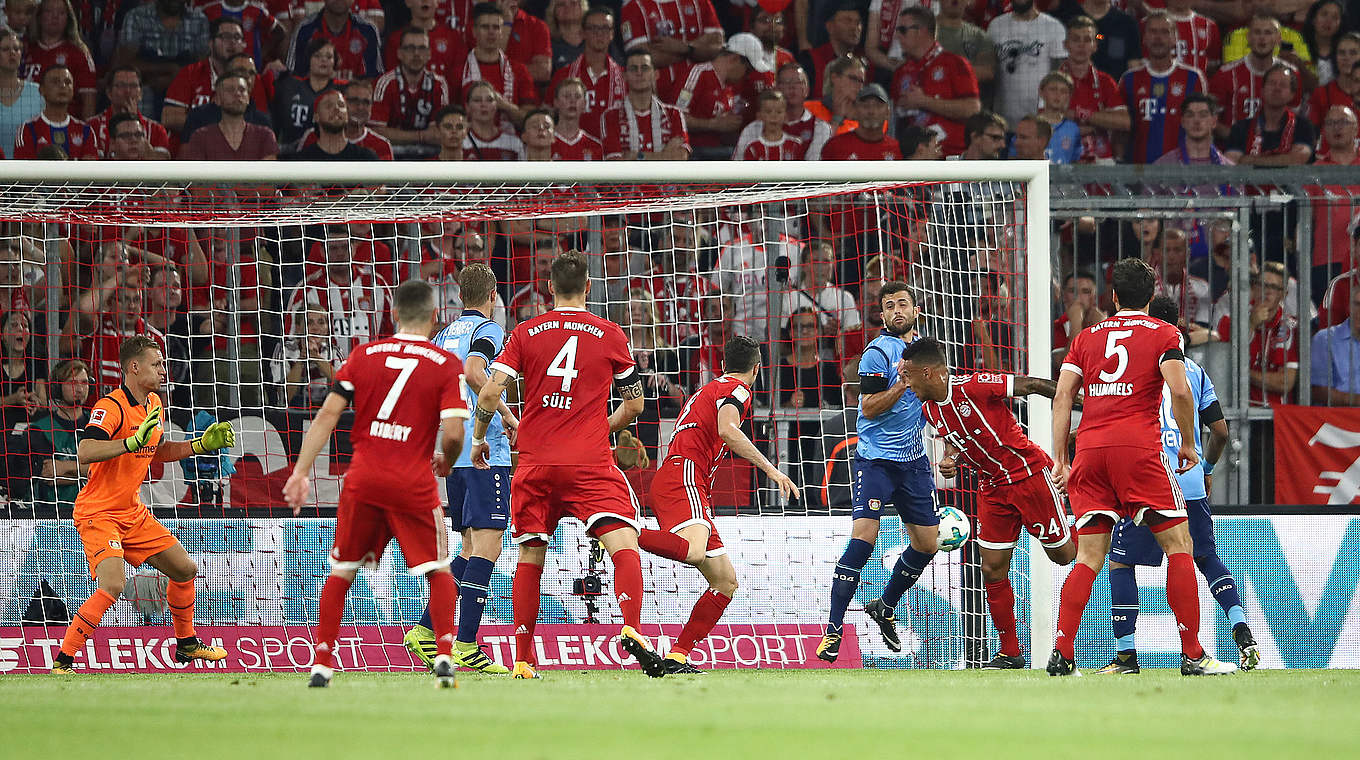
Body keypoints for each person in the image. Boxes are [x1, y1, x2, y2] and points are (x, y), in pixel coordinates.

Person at [467, 250, 665, 679]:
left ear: (549, 287)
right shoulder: (610, 334)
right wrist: (601, 426)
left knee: (530, 556)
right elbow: (636, 404)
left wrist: (480, 438)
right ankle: (632, 627)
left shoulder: (524, 331)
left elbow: (486, 394)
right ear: (589, 288)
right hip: (589, 462)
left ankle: (522, 660)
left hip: (536, 462)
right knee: (624, 544)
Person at [1048, 257, 1236, 676]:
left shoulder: (1087, 337)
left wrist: (1061, 457)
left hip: (1091, 452)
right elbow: (1180, 390)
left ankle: (1061, 654)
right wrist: (1189, 443)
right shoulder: (1164, 333)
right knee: (1179, 546)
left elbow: (1063, 398)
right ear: (1151, 297)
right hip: (1138, 450)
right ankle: (1192, 655)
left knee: (1089, 557)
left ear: (1112, 297)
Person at [283, 280, 468, 688]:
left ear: (395, 314)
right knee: (437, 569)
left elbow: (327, 416)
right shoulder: (443, 363)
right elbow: (454, 433)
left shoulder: (363, 355)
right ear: (434, 316)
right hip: (412, 481)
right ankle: (443, 657)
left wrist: (299, 472)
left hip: (364, 478)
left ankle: (322, 663)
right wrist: (447, 461)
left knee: (342, 571)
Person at [49, 335, 235, 674]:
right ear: (134, 367)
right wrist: (130, 440)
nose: (164, 370)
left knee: (185, 570)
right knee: (113, 585)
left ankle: (187, 644)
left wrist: (199, 445)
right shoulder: (111, 406)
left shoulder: (153, 405)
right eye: (157, 364)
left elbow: (156, 450)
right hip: (99, 513)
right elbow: (85, 452)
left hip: (131, 512)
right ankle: (64, 659)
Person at [1098, 295, 1260, 675]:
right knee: (1201, 557)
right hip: (1188, 480)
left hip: (1146, 476)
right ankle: (1240, 628)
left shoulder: (1129, 369)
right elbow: (1220, 431)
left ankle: (1126, 655)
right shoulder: (1193, 371)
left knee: (1121, 563)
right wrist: (1205, 466)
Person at [900, 336, 1075, 668]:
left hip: (1028, 477)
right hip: (992, 489)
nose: (905, 384)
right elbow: (962, 443)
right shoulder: (930, 410)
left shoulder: (976, 386)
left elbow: (1035, 384)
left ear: (928, 373)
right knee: (992, 568)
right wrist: (953, 460)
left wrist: (1084, 401)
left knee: (1064, 556)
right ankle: (1010, 651)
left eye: (908, 376)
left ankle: (1091, 527)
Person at [636, 335, 800, 674]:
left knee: (725, 581)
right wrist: (771, 469)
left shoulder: (708, 389)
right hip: (685, 476)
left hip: (678, 476)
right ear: (757, 369)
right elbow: (728, 430)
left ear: (724, 365)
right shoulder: (738, 391)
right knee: (695, 552)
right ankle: (622, 530)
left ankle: (677, 655)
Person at [403, 264, 516, 675]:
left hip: (455, 451)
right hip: (484, 450)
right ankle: (466, 643)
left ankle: (424, 630)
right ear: (493, 295)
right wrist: (504, 415)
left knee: (469, 548)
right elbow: (474, 372)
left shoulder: (442, 335)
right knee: (489, 545)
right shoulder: (487, 330)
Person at [817, 282, 937, 662]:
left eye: (903, 303)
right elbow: (868, 408)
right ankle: (833, 630)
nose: (896, 310)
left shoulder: (929, 353)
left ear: (916, 311)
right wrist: (902, 382)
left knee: (928, 544)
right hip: (876, 461)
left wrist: (950, 448)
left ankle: (884, 606)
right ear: (882, 315)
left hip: (914, 462)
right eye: (889, 306)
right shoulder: (877, 353)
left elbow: (940, 402)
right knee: (864, 538)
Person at [889, 6, 981, 157]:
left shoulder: (954, 63)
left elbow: (972, 109)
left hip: (951, 158)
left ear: (922, 31)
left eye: (903, 30)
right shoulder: (901, 71)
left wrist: (924, 101)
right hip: (915, 161)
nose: (898, 36)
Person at [1118, 11, 1205, 164]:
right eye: (1153, 32)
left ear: (1174, 39)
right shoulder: (1129, 79)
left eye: (1165, 32)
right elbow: (1121, 131)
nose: (1158, 38)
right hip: (1139, 171)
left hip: (1181, 172)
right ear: (1144, 38)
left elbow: (1202, 128)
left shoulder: (1193, 78)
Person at [1211, 14, 1298, 137]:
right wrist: (1238, 139)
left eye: (1268, 33)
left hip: (1277, 149)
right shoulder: (1225, 74)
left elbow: (1297, 118)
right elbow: (1211, 120)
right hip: (1234, 150)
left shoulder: (1291, 74)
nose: (1262, 38)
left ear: (1278, 39)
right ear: (1248, 37)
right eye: (1257, 32)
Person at [619, 0, 724, 101]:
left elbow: (717, 45)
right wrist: (694, 51)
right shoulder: (633, 6)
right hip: (662, 98)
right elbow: (641, 58)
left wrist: (684, 47)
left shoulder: (701, 2)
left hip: (704, 95)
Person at [987, 0, 1067, 130]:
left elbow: (1061, 77)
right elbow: (989, 71)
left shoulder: (1053, 27)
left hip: (1040, 122)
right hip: (1002, 121)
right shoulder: (995, 26)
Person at [161, 17, 248, 134]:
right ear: (211, 43)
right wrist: (218, 123)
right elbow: (169, 118)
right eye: (225, 36)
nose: (232, 42)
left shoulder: (249, 76)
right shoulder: (190, 73)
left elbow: (257, 120)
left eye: (237, 37)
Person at [455, 3, 537, 128]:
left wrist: (504, 106)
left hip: (510, 143)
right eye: (485, 27)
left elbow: (531, 121)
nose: (491, 32)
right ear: (474, 31)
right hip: (469, 143)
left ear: (502, 32)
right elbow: (449, 118)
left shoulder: (519, 70)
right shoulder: (458, 71)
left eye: (496, 27)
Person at [371, 26, 450, 151]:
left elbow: (439, 133)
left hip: (429, 158)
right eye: (410, 48)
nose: (416, 54)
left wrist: (398, 134)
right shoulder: (385, 83)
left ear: (429, 54)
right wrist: (421, 136)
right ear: (399, 53)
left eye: (422, 48)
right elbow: (376, 132)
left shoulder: (439, 84)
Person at [549, 6, 624, 136]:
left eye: (605, 28)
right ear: (583, 33)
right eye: (593, 28)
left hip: (614, 151)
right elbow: (549, 114)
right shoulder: (564, 75)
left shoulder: (625, 77)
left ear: (612, 34)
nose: (599, 34)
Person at [601, 49, 690, 160]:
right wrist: (665, 156)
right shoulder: (610, 116)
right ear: (624, 76)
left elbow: (680, 157)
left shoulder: (674, 114)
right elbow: (615, 163)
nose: (639, 73)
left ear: (655, 74)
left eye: (645, 68)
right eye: (633, 69)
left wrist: (637, 156)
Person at [1223, 63, 1316, 166]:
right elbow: (1231, 164)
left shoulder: (1303, 126)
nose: (1277, 88)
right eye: (1272, 83)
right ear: (1262, 91)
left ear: (1292, 95)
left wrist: (1250, 160)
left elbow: (1297, 160)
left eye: (1283, 85)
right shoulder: (1240, 128)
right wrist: (1282, 159)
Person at [27, 358, 89, 511]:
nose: (80, 389)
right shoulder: (39, 430)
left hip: (95, 514)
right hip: (54, 516)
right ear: (56, 388)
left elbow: (111, 471)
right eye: (73, 383)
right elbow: (50, 475)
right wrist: (90, 471)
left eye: (85, 382)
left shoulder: (100, 424)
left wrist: (65, 467)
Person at [674, 39, 750, 153]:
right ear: (735, 59)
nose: (745, 75)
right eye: (747, 69)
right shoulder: (698, 74)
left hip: (718, 151)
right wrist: (713, 125)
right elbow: (675, 117)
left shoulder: (728, 88)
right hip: (692, 152)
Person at [270, 37, 345, 152]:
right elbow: (275, 122)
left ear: (335, 62)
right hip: (290, 152)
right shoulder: (289, 86)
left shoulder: (342, 90)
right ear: (308, 59)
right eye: (317, 56)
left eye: (329, 57)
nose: (323, 60)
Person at [180, 71, 278, 159]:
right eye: (230, 90)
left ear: (248, 98)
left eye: (242, 90)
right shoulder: (200, 137)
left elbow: (268, 175)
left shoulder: (265, 135)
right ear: (217, 99)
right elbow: (197, 176)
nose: (237, 94)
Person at [23, 0, 97, 117]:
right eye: (49, 11)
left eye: (61, 12)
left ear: (68, 18)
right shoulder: (24, 48)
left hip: (66, 124)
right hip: (27, 120)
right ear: (39, 16)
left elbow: (88, 100)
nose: (55, 16)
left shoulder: (79, 52)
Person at [12, 64, 98, 159]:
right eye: (55, 82)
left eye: (68, 82)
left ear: (73, 90)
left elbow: (90, 170)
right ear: (41, 90)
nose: (62, 86)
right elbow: (24, 170)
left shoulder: (86, 131)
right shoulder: (27, 129)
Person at [284, 0, 381, 80]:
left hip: (354, 99)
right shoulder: (304, 29)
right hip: (314, 98)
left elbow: (374, 78)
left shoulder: (368, 31)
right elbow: (293, 77)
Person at [88, 67, 173, 158]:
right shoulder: (91, 126)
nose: (127, 91)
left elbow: (162, 163)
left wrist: (134, 122)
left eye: (133, 86)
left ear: (141, 94)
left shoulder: (157, 130)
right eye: (121, 85)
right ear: (109, 93)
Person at [287, 90, 379, 159]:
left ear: (347, 116)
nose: (336, 109)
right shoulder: (303, 160)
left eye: (341, 105)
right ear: (316, 117)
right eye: (328, 105)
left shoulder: (366, 158)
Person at [802, 2, 865, 100]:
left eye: (858, 22)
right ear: (830, 27)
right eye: (847, 21)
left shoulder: (864, 63)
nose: (854, 27)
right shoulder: (810, 60)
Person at [1311, 286, 1360, 406]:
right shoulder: (1325, 339)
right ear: (1349, 306)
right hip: (1336, 419)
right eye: (1358, 304)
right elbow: (1317, 391)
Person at [0, 310, 46, 431]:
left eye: (25, 326)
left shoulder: (37, 362)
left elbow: (44, 403)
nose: (21, 329)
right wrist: (13, 399)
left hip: (27, 428)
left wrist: (37, 402)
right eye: (14, 325)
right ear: (2, 335)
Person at [0, 29, 43, 160]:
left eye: (16, 49)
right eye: (6, 49)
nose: (12, 53)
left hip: (29, 172)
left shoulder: (39, 93)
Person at [551, 78, 604, 159]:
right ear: (556, 102)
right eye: (566, 96)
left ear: (584, 104)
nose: (572, 101)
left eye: (577, 96)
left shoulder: (595, 146)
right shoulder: (545, 142)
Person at [1302, 0, 1347, 85]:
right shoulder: (1298, 46)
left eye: (1335, 17)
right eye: (1324, 14)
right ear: (1313, 19)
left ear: (1340, 24)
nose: (1328, 21)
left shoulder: (1345, 52)